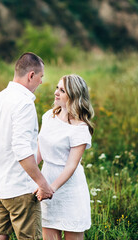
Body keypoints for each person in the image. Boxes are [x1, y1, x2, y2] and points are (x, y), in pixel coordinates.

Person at [0, 52, 54, 240]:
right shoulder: (24, 104)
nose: (41, 82)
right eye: (40, 77)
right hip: (21, 189)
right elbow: (21, 150)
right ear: (31, 76)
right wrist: (42, 183)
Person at [36, 74, 95, 240]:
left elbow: (71, 165)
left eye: (62, 90)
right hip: (46, 181)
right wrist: (29, 176)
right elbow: (39, 152)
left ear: (74, 95)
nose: (56, 92)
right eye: (57, 88)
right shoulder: (48, 116)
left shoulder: (80, 128)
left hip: (69, 190)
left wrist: (52, 188)